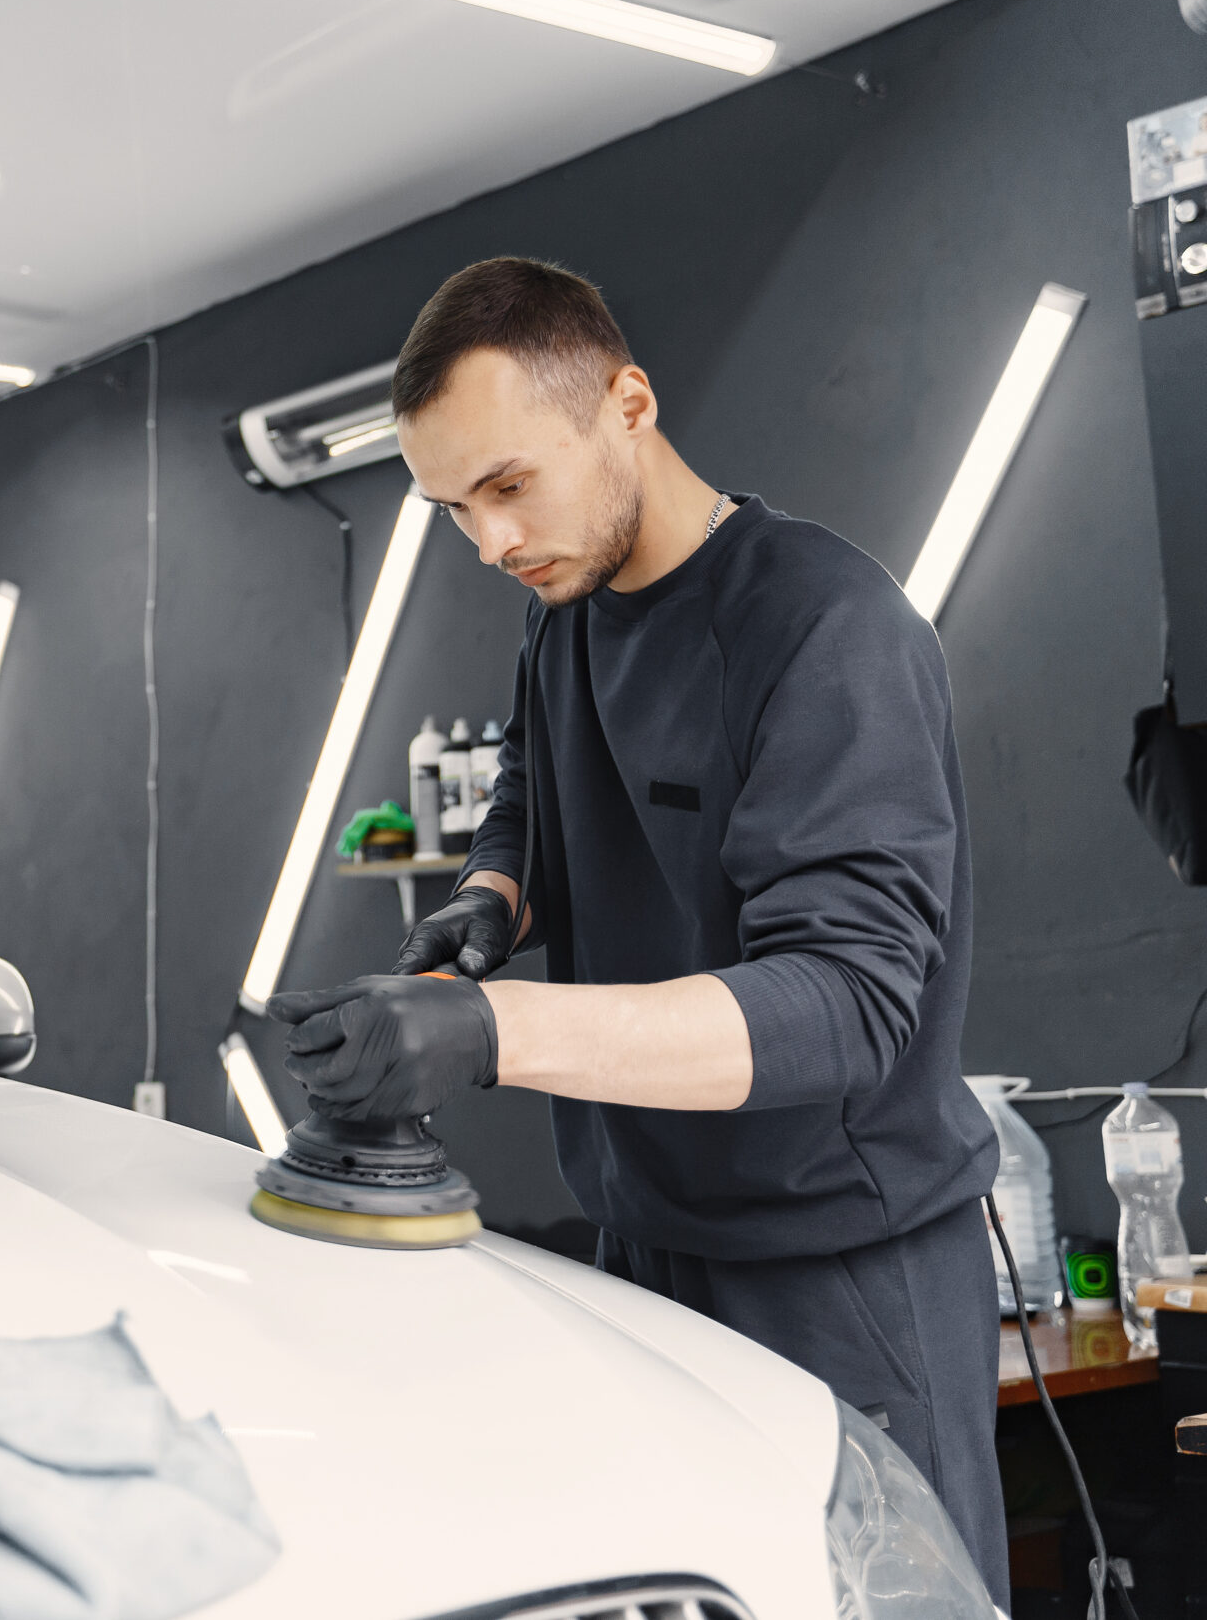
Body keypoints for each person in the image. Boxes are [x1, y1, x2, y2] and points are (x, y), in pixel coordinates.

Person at [267, 257, 1004, 1600]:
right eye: (451, 511)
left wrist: (490, 1031)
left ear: (628, 402)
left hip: (837, 1265)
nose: (490, 542)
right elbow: (528, 809)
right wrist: (487, 914)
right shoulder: (565, 621)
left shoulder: (824, 627)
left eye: (507, 486)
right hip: (647, 1247)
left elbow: (842, 1006)